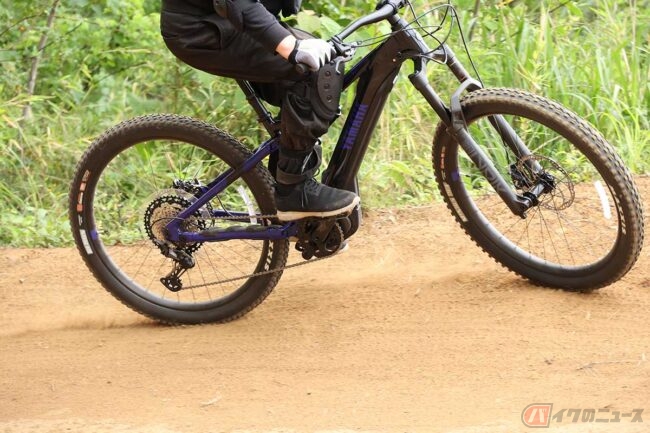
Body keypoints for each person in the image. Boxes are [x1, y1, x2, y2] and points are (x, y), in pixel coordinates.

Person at [160, 0, 360, 221]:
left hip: (232, 19)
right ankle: (294, 192)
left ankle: (290, 195)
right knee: (315, 71)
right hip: (203, 31)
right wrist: (290, 47)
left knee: (326, 61)